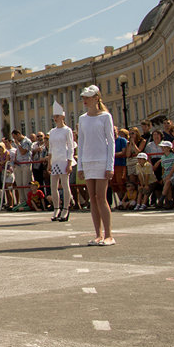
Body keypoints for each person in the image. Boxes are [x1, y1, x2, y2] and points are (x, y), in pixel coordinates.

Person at [77, 84, 115, 245]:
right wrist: (80, 166)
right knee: (92, 198)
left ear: (96, 98)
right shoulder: (82, 118)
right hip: (88, 161)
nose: (85, 100)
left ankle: (109, 235)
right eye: (84, 97)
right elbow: (81, 142)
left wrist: (110, 165)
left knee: (101, 197)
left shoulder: (105, 116)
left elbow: (111, 142)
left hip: (101, 160)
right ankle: (98, 234)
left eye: (88, 97)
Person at [47, 101, 74, 222]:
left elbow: (71, 147)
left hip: (64, 159)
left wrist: (69, 163)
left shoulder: (67, 130)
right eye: (54, 116)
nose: (55, 118)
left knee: (64, 184)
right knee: (53, 186)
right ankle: (56, 208)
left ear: (62, 116)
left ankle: (66, 208)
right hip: (55, 160)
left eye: (57, 116)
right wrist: (49, 162)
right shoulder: (52, 131)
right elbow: (51, 148)